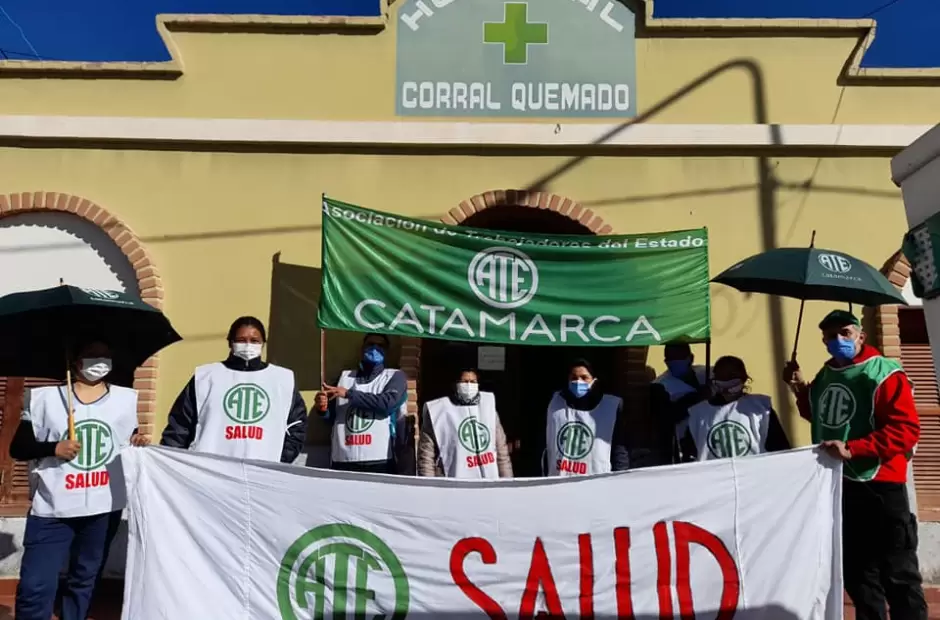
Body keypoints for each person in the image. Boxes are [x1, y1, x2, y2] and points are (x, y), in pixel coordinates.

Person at [783, 310, 927, 620]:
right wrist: (800, 387)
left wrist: (853, 448)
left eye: (845, 333)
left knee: (898, 573)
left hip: (881, 484)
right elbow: (821, 415)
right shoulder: (826, 374)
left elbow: (906, 430)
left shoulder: (884, 373)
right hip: (840, 485)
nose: (838, 340)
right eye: (830, 336)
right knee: (858, 574)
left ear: (861, 336)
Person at [10, 339, 148, 620]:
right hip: (52, 508)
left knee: (85, 579)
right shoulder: (43, 399)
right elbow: (18, 447)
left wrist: (139, 441)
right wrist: (53, 448)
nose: (99, 362)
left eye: (105, 356)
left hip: (102, 507)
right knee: (35, 585)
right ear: (75, 361)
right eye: (91, 355)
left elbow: (126, 440)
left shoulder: (125, 399)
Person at [161, 316, 307, 463]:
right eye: (241, 340)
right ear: (230, 342)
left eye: (254, 340)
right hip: (211, 469)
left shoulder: (282, 379)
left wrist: (280, 460)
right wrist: (168, 461)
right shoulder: (206, 377)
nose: (248, 345)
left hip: (263, 470)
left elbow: (297, 426)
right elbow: (180, 426)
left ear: (263, 343)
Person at [315, 333, 409, 474]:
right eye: (370, 344)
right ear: (362, 348)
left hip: (380, 460)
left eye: (380, 345)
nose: (374, 348)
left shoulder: (395, 376)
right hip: (343, 459)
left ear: (387, 351)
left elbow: (387, 403)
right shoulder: (344, 377)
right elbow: (333, 416)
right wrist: (323, 409)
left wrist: (349, 394)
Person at [685, 355, 790, 460]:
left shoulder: (760, 409)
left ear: (744, 378)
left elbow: (780, 449)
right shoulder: (698, 414)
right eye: (722, 376)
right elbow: (689, 455)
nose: (727, 380)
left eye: (732, 375)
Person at [418, 368, 513, 478]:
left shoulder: (488, 408)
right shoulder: (439, 411)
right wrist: (429, 484)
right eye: (464, 381)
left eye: (473, 382)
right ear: (455, 384)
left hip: (487, 481)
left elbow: (502, 453)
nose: (469, 385)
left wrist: (507, 481)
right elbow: (426, 456)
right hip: (451, 481)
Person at [543, 358, 629, 476]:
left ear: (594, 380)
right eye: (574, 377)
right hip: (560, 481)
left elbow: (619, 451)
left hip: (596, 483)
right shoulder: (554, 405)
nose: (578, 382)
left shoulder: (610, 407)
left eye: (584, 378)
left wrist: (620, 477)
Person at [652, 343, 710, 462]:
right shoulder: (660, 385)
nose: (674, 362)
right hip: (685, 442)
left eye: (679, 358)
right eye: (670, 359)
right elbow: (667, 416)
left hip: (709, 432)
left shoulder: (707, 373)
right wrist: (697, 397)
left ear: (691, 358)